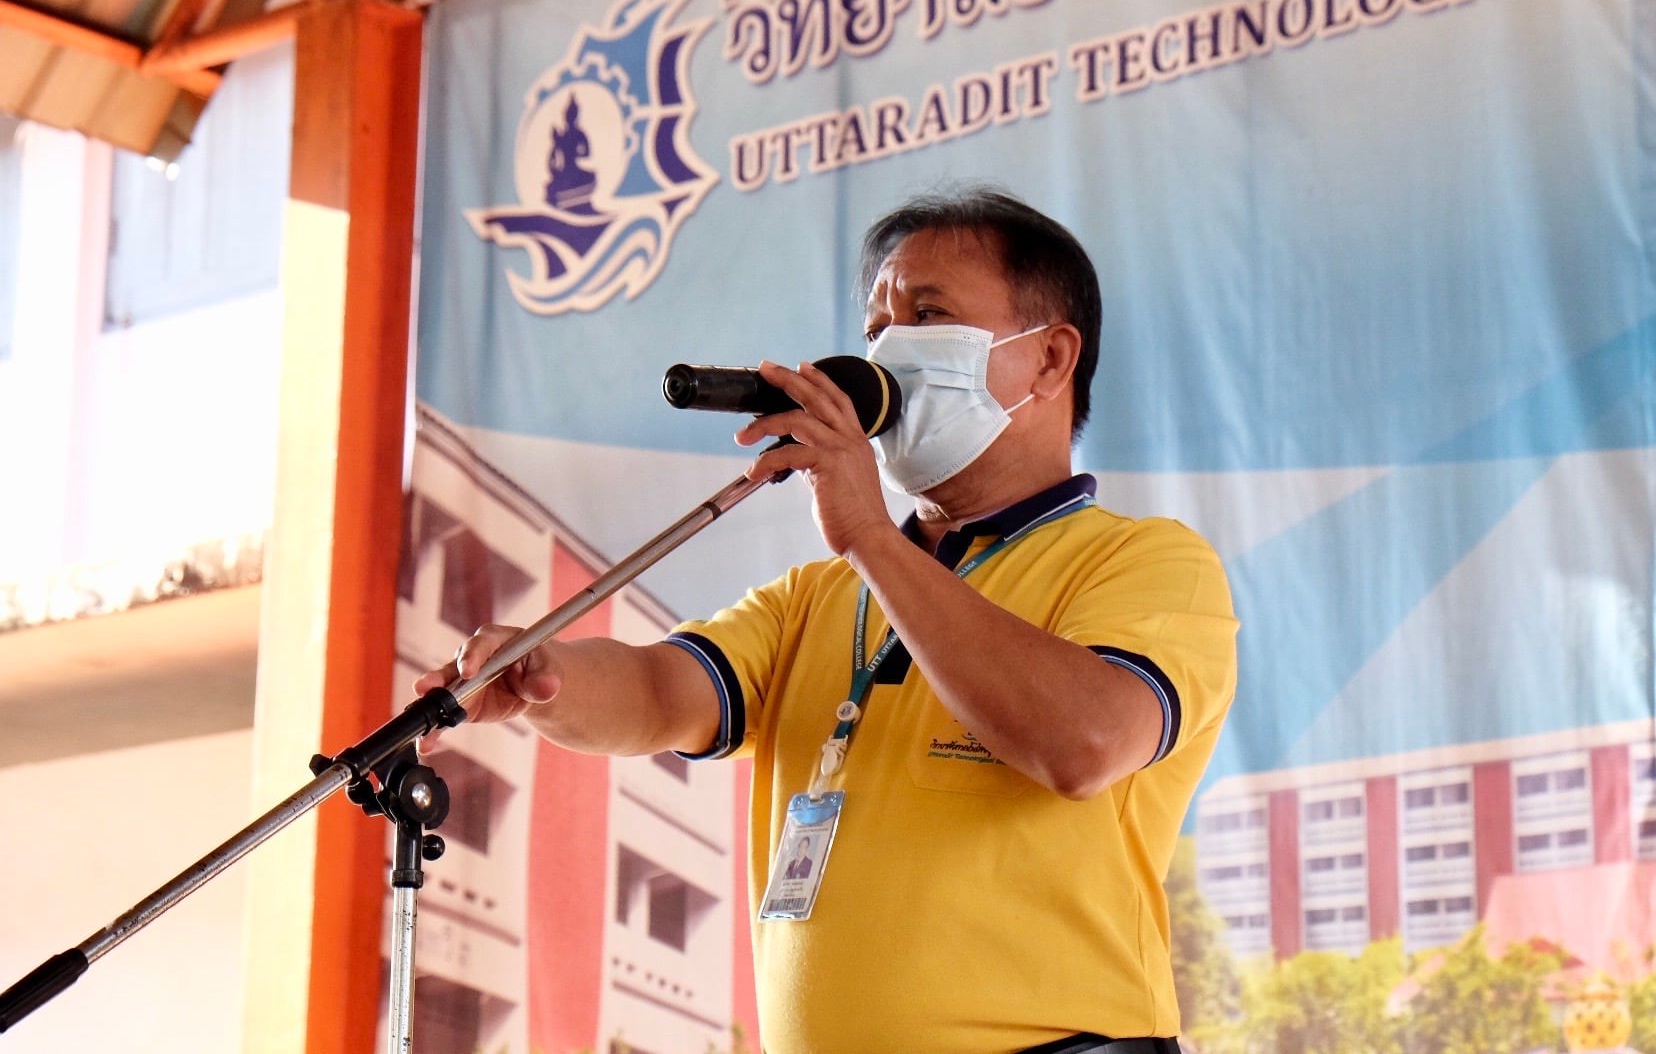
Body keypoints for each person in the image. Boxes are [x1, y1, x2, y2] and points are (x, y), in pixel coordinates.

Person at [420, 186, 1239, 1054]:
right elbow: (658, 693)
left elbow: (1081, 745)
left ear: (1049, 359)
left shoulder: (1147, 563)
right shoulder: (819, 595)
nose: (887, 349)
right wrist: (541, 678)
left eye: (928, 313)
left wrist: (871, 539)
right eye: (878, 325)